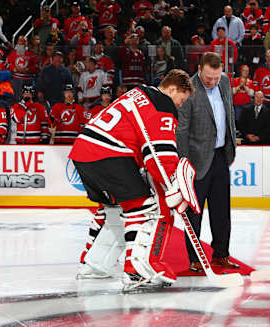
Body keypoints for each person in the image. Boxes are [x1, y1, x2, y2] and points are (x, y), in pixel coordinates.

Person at [69, 69, 199, 288]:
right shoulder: (162, 104)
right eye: (181, 99)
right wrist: (173, 187)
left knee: (111, 209)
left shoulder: (139, 92)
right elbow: (160, 154)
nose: (180, 105)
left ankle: (93, 264)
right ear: (174, 88)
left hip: (83, 151)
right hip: (108, 154)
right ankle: (136, 272)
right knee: (145, 208)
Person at [176, 52, 239, 273]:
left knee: (222, 211)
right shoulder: (188, 89)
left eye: (216, 76)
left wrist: (232, 145)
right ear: (200, 68)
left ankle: (221, 255)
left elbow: (228, 113)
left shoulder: (224, 81)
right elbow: (181, 130)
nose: (213, 81)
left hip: (221, 155)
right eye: (208, 77)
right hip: (195, 161)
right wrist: (183, 163)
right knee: (194, 214)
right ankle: (195, 259)